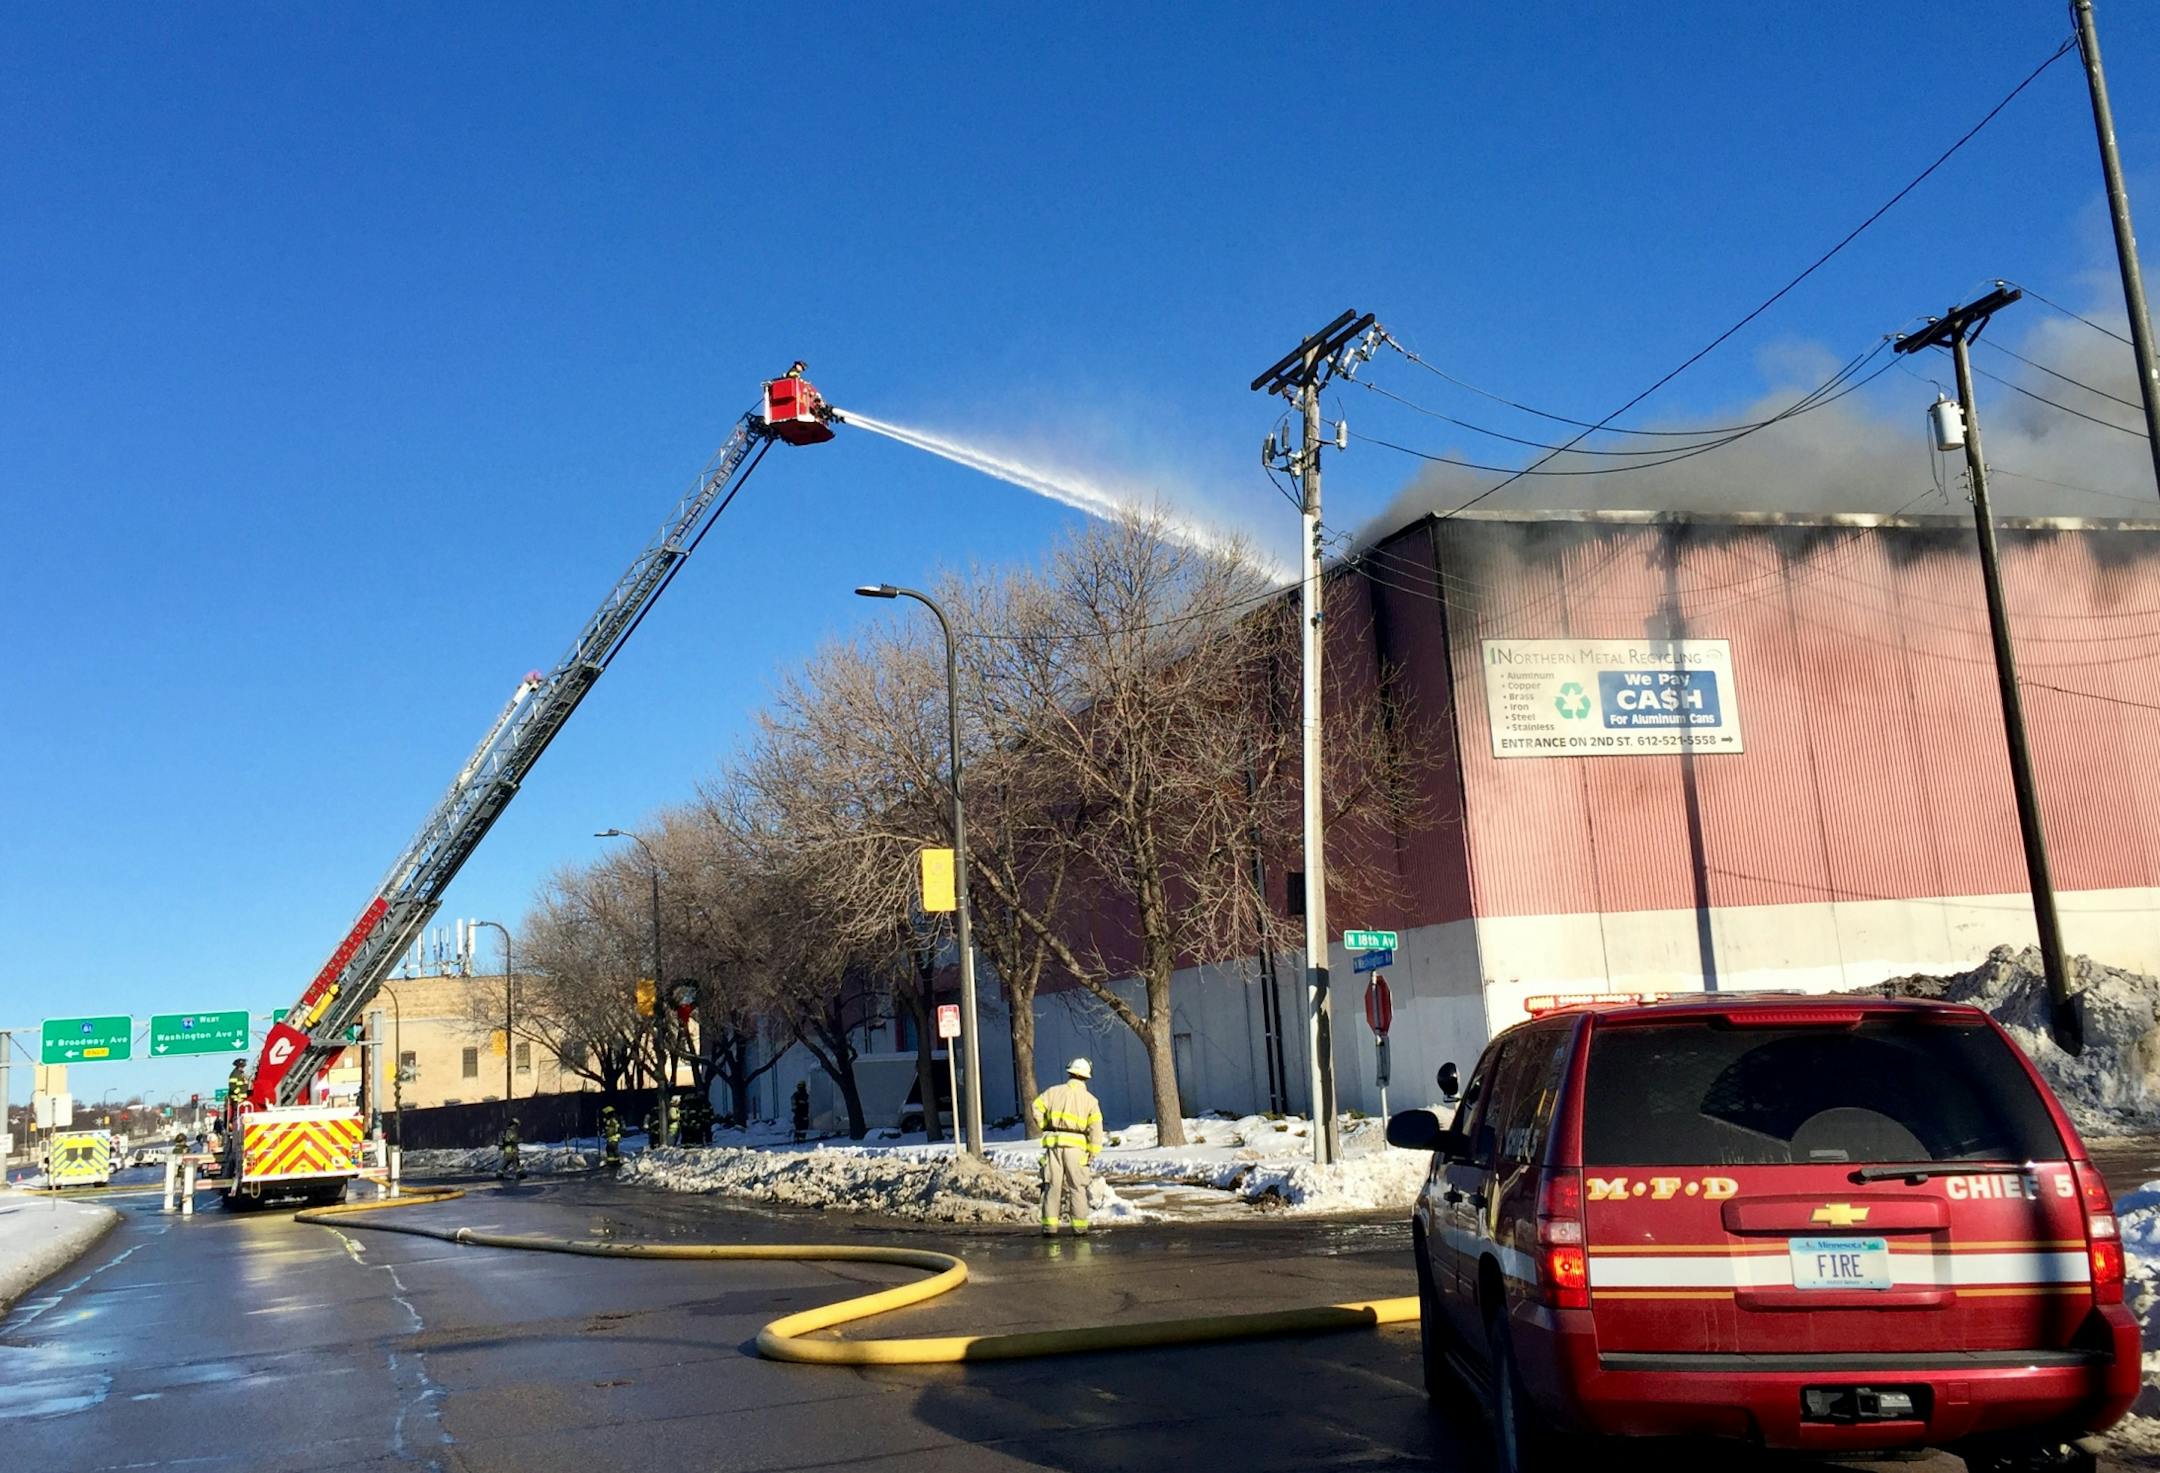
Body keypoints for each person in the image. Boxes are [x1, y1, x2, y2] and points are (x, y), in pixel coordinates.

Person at [1032, 1058, 1106, 1237]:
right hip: (1077, 1150)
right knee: (1077, 1188)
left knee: (1052, 1187)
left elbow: (1036, 1107)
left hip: (1055, 1146)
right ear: (1086, 1077)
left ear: (1070, 1073)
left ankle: (1049, 1228)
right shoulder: (1090, 1101)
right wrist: (1093, 1151)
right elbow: (1096, 1128)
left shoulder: (1053, 1092)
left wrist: (1045, 1125)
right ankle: (1079, 1229)